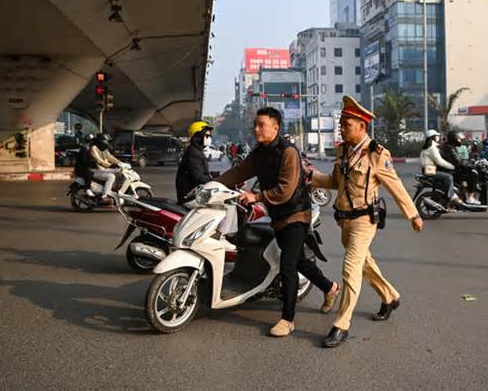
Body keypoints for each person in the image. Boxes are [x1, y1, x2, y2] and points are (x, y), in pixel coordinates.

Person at [309, 96, 423, 348]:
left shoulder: (377, 154)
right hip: (344, 221)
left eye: (346, 123)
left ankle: (341, 325)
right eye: (341, 122)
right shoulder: (343, 151)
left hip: (364, 221)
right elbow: (334, 182)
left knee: (350, 268)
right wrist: (311, 177)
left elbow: (395, 185)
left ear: (362, 126)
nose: (341, 127)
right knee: (364, 264)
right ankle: (390, 296)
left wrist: (412, 214)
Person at [216, 107, 339, 338]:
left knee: (288, 266)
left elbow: (285, 190)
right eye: (255, 124)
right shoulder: (259, 152)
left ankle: (287, 319)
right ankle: (330, 287)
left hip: (297, 215)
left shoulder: (288, 152)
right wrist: (213, 184)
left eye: (261, 125)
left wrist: (257, 197)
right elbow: (240, 171)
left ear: (275, 127)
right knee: (300, 262)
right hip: (279, 216)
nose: (256, 129)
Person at [176, 121, 215, 203]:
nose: (209, 138)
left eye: (210, 136)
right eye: (207, 136)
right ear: (198, 136)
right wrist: (217, 182)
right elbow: (198, 177)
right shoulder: (193, 153)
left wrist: (218, 175)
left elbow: (202, 171)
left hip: (196, 193)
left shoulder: (196, 151)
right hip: (190, 197)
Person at [420, 130, 460, 203]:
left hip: (427, 169)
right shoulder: (432, 149)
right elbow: (440, 161)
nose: (438, 137)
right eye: (437, 136)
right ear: (433, 138)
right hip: (430, 170)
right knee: (448, 177)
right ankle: (451, 196)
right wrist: (452, 167)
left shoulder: (428, 148)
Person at [441, 131, 480, 204]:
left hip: (451, 170)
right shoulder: (450, 148)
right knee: (473, 175)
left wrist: (469, 162)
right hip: (451, 171)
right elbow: (458, 162)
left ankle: (464, 193)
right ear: (454, 139)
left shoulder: (450, 147)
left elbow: (458, 159)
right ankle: (470, 198)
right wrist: (471, 165)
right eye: (459, 139)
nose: (460, 141)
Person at [89, 133, 123, 203]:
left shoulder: (104, 150)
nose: (107, 144)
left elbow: (112, 158)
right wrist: (110, 165)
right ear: (101, 141)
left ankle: (113, 191)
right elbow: (99, 161)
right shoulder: (93, 148)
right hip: (95, 171)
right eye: (106, 141)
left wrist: (122, 163)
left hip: (103, 170)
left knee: (120, 172)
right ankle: (104, 196)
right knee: (111, 176)